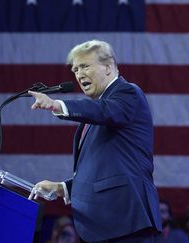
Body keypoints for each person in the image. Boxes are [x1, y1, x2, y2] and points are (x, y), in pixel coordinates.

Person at [28, 39, 162, 242]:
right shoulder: (97, 111)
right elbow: (105, 169)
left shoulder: (127, 93)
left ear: (108, 67)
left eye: (85, 66)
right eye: (75, 69)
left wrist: (57, 105)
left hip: (126, 222)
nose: (79, 74)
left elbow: (105, 111)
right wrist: (63, 188)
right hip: (106, 226)